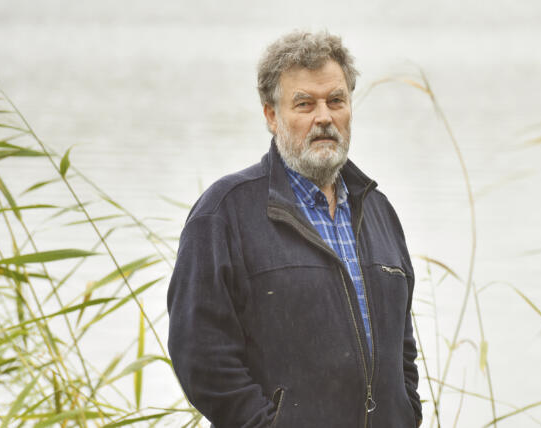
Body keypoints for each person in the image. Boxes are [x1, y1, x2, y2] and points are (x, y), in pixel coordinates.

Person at [167, 30, 422, 428]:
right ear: (272, 116)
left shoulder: (379, 212)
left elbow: (402, 346)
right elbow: (201, 356)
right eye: (304, 104)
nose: (324, 117)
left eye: (335, 101)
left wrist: (407, 411)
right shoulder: (223, 214)